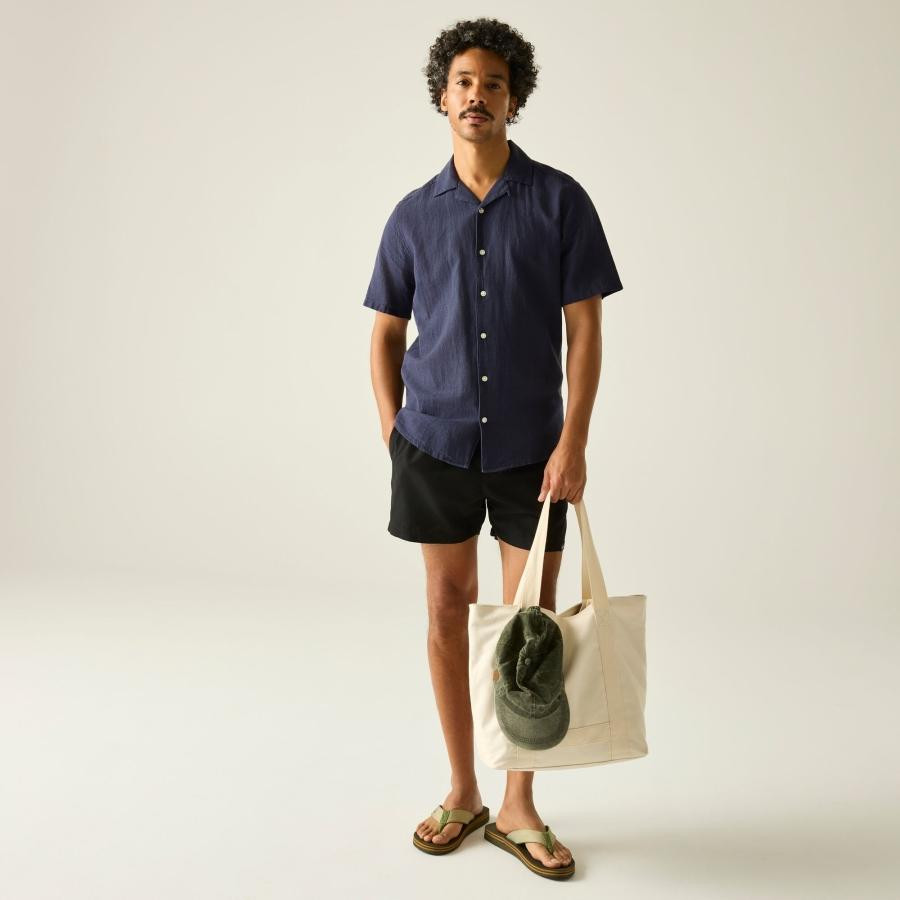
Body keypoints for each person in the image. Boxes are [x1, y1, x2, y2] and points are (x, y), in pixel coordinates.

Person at [362, 17, 623, 879]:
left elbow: (585, 331)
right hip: (432, 445)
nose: (478, 96)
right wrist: (395, 431)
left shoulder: (560, 201)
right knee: (445, 613)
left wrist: (574, 441)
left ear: (515, 100)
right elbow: (385, 334)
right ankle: (463, 789)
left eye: (494, 85)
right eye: (464, 83)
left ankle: (518, 805)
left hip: (532, 453)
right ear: (443, 98)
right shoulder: (412, 215)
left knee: (529, 628)